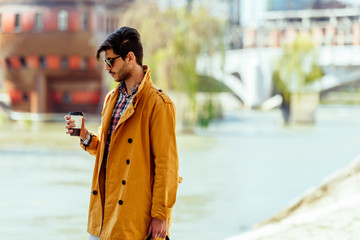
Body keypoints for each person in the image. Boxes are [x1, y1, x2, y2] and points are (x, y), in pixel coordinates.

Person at [64, 26, 179, 240]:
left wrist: (160, 215)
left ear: (130, 57)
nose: (107, 68)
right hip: (102, 215)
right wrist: (85, 136)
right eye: (105, 62)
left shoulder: (158, 104)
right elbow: (110, 152)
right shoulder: (111, 99)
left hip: (132, 218)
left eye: (111, 61)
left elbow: (166, 166)